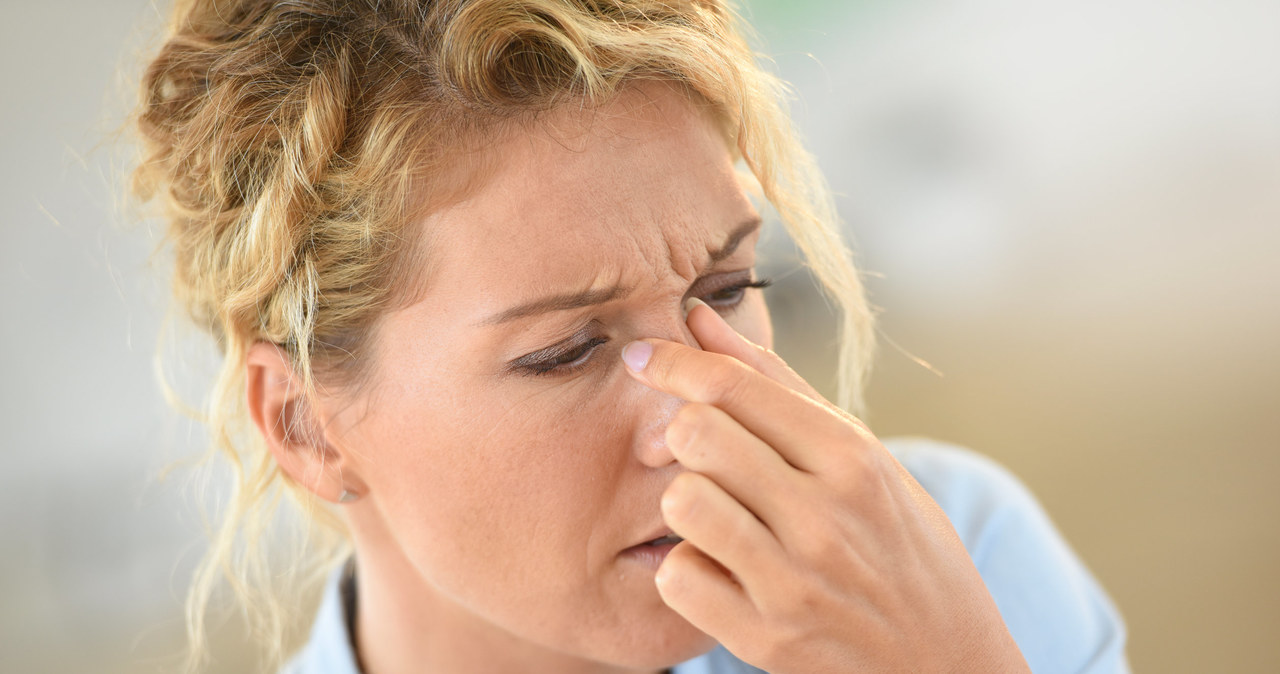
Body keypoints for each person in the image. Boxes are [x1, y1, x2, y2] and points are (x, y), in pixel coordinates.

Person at [130, 0, 1129, 672]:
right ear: (304, 424)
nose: (697, 410)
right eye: (566, 348)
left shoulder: (952, 560)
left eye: (728, 284)